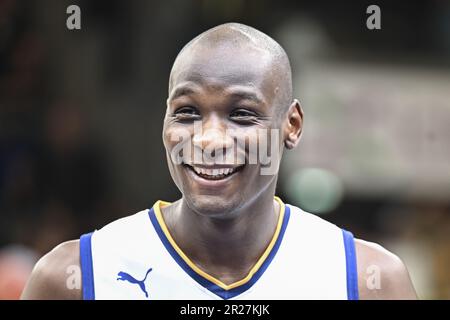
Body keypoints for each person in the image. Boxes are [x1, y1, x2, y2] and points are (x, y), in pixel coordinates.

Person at [21, 23, 417, 300]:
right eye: (188, 112)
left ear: (291, 125)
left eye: (242, 114)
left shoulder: (368, 282)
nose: (209, 140)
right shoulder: (75, 277)